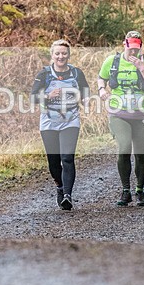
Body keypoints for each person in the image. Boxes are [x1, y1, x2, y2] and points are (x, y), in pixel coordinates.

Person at [97, 31, 144, 207]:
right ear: (124, 45)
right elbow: (101, 78)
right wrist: (102, 90)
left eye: (136, 49)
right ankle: (126, 190)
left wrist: (141, 68)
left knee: (141, 154)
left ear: (140, 48)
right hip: (119, 114)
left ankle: (140, 190)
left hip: (142, 115)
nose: (133, 52)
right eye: (130, 48)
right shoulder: (112, 61)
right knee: (124, 148)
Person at [31, 40, 90, 210]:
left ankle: (67, 196)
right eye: (57, 53)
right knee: (54, 161)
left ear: (68, 55)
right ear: (52, 55)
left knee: (67, 157)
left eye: (64, 53)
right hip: (49, 121)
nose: (61, 56)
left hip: (71, 120)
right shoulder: (44, 74)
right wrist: (48, 96)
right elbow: (33, 97)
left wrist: (86, 101)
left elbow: (85, 90)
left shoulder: (76, 73)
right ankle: (59, 186)